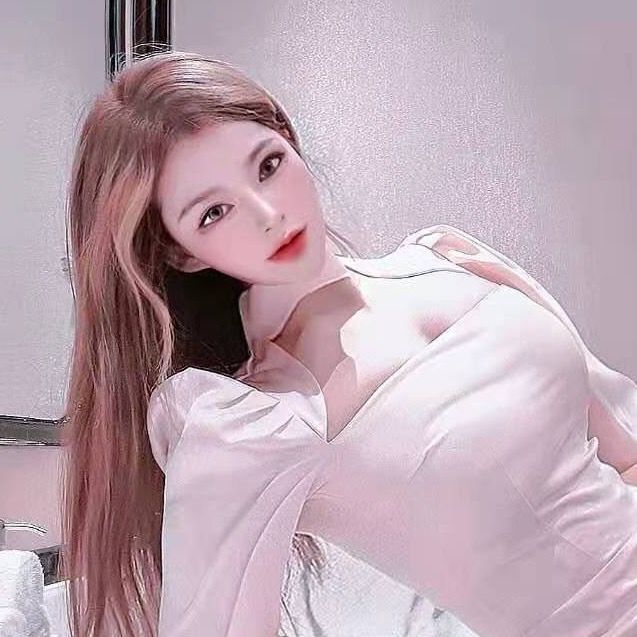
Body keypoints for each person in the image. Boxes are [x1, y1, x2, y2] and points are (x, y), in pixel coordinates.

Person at [59, 49, 637, 637]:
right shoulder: (255, 422)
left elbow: (625, 450)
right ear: (179, 252)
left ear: (288, 138)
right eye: (213, 213)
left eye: (268, 165)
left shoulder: (447, 259)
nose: (268, 213)